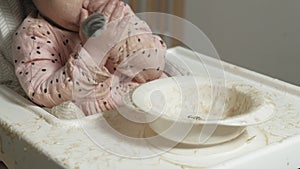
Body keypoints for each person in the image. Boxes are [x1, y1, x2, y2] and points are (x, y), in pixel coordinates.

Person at [12, 0, 167, 116]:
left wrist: (120, 44)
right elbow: (43, 94)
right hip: (95, 126)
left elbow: (153, 69)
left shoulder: (118, 13)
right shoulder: (34, 35)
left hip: (149, 108)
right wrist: (93, 51)